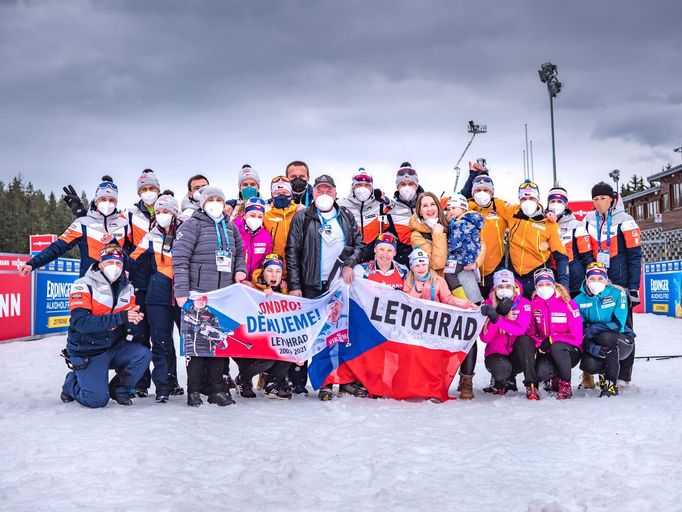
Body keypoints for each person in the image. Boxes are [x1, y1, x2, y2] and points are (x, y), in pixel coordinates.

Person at [285, 174, 364, 400]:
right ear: (313, 193)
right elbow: (292, 251)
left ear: (335, 193)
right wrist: (294, 285)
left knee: (343, 334)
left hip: (340, 287)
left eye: (328, 190)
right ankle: (324, 381)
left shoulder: (346, 216)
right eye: (320, 190)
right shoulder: (303, 218)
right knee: (318, 336)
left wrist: (350, 263)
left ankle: (346, 379)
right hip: (311, 286)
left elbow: (359, 244)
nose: (324, 194)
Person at [173, 186, 247, 407]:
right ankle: (194, 391)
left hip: (223, 295)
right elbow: (180, 258)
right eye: (210, 199)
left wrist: (240, 269)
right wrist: (182, 292)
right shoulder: (192, 225)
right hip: (197, 294)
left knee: (219, 344)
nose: (215, 203)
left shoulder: (230, 227)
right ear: (202, 202)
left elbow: (240, 253)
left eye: (219, 199)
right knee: (196, 346)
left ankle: (217, 389)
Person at [60, 244, 151, 408]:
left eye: (119, 264)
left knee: (142, 354)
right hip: (88, 349)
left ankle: (118, 390)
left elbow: (128, 314)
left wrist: (134, 318)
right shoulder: (82, 284)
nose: (115, 267)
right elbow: (81, 323)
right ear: (100, 264)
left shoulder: (127, 287)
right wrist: (121, 317)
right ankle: (71, 383)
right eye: (110, 263)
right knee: (96, 401)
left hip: (113, 346)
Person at [130, 192, 184, 403]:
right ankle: (163, 385)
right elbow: (133, 261)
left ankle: (195, 384)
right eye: (159, 211)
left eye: (166, 211)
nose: (162, 215)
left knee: (190, 342)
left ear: (174, 213)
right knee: (161, 342)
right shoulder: (150, 236)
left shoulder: (186, 233)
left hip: (183, 296)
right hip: (157, 297)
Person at [19, 177, 131, 278]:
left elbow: (132, 257)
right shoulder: (82, 223)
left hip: (118, 285)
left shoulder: (124, 224)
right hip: (90, 283)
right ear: (96, 201)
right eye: (103, 199)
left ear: (116, 203)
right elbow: (57, 248)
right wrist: (32, 264)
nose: (108, 203)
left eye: (112, 200)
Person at [124, 169, 163, 398]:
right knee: (139, 333)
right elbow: (121, 240)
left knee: (161, 335)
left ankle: (167, 381)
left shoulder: (167, 211)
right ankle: (140, 382)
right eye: (144, 189)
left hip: (161, 281)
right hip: (138, 281)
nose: (149, 193)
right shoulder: (130, 214)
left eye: (152, 188)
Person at [234, 254, 294, 400]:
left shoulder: (284, 291)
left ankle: (272, 384)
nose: (274, 275)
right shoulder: (249, 288)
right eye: (269, 270)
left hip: (272, 340)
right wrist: (261, 295)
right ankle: (243, 379)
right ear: (262, 272)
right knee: (267, 358)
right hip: (250, 342)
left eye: (278, 271)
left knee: (291, 348)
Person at [574, 262, 636, 397]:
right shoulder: (578, 300)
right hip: (596, 342)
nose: (596, 281)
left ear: (606, 279)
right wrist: (591, 343)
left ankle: (611, 385)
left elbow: (619, 324)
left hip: (621, 340)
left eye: (600, 278)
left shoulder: (618, 293)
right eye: (592, 278)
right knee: (589, 364)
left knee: (605, 337)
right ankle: (603, 375)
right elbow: (581, 328)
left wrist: (595, 328)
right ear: (586, 279)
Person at [478, 269, 538, 400]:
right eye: (500, 286)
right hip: (496, 354)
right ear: (494, 288)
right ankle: (502, 380)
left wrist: (498, 319)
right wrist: (495, 314)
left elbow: (520, 329)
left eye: (507, 286)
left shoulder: (524, 304)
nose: (504, 289)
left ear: (513, 287)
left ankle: (531, 385)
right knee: (502, 374)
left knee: (525, 340)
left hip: (517, 355)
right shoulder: (487, 304)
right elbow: (485, 338)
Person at [527, 268, 583, 400]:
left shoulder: (569, 304)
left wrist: (553, 339)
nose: (544, 287)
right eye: (540, 284)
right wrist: (540, 344)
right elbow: (531, 333)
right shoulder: (534, 306)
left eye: (548, 284)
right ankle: (555, 378)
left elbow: (577, 337)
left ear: (554, 285)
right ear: (536, 286)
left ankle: (566, 385)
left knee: (557, 347)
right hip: (546, 351)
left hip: (569, 351)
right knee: (541, 373)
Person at [508, 180, 568, 299]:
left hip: (538, 278)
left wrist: (564, 288)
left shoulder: (549, 224)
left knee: (540, 314)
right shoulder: (511, 213)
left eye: (531, 198)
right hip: (515, 277)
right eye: (524, 199)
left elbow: (561, 257)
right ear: (519, 200)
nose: (527, 202)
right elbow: (487, 202)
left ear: (538, 199)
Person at [546, 187, 594, 297]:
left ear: (566, 204)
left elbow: (587, 256)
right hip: (550, 280)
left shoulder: (576, 225)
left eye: (559, 201)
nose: (555, 204)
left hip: (575, 282)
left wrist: (591, 278)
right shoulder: (544, 225)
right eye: (552, 201)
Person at [338, 168, 393, 261]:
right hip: (349, 256)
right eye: (359, 185)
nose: (363, 188)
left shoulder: (379, 204)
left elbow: (394, 206)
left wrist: (385, 199)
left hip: (373, 257)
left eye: (367, 185)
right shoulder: (341, 205)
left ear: (372, 188)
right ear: (353, 187)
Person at [402, 247, 475, 309]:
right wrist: (416, 291)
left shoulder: (438, 280)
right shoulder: (408, 281)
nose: (421, 268)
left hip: (434, 318)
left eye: (424, 264)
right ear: (412, 268)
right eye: (417, 265)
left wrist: (467, 304)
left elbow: (448, 299)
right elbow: (406, 303)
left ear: (428, 265)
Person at [444, 193, 485, 303]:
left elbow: (455, 242)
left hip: (463, 256)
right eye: (448, 209)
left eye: (453, 208)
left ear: (462, 208)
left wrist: (445, 251)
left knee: (449, 272)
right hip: (470, 254)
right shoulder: (469, 221)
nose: (450, 211)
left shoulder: (460, 223)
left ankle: (463, 300)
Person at [385, 162, 425, 266]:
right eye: (403, 184)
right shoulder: (390, 209)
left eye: (411, 184)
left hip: (426, 258)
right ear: (397, 187)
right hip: (402, 260)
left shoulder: (428, 203)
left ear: (416, 185)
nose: (407, 187)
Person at [409, 192, 449, 276]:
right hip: (437, 283)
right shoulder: (416, 235)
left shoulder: (448, 224)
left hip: (458, 276)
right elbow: (437, 264)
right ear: (419, 211)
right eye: (425, 206)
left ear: (438, 207)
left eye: (432, 204)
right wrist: (437, 234)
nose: (430, 209)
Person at [233, 197, 273, 280]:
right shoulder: (234, 231)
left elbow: (264, 263)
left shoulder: (265, 236)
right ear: (244, 215)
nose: (256, 219)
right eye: (252, 215)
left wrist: (256, 281)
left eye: (260, 216)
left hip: (254, 285)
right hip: (235, 281)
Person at [263, 176, 298, 265]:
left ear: (291, 194)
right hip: (275, 269)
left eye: (284, 192)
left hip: (296, 267)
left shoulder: (299, 213)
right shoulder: (266, 215)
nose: (281, 195)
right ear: (272, 196)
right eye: (277, 193)